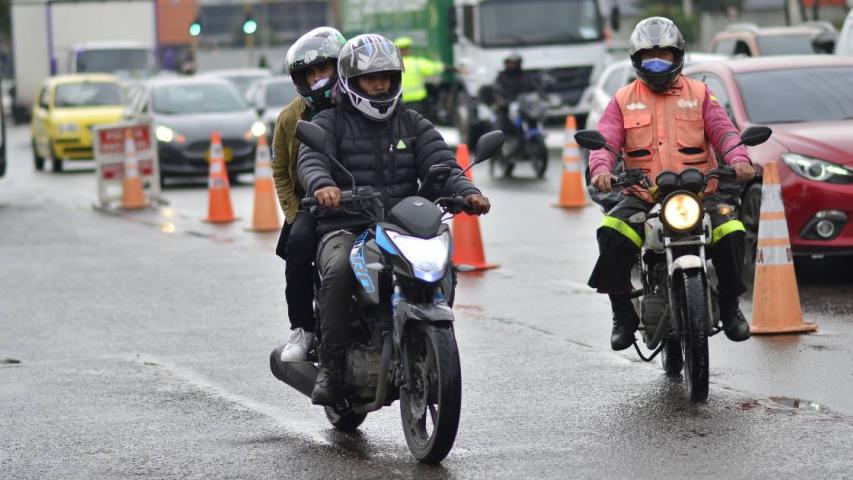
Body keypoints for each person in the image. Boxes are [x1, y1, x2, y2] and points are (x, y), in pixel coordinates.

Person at [298, 34, 491, 405]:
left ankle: (423, 339)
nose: (380, 85)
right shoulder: (329, 123)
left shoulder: (412, 123)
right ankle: (332, 368)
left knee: (442, 265)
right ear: (351, 82)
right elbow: (311, 160)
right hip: (346, 225)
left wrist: (468, 192)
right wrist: (323, 185)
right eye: (371, 78)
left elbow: (443, 165)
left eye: (386, 77)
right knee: (339, 270)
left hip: (404, 226)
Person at [586, 17, 755, 351]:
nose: (657, 63)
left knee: (731, 231)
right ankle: (622, 313)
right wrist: (602, 170)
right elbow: (604, 143)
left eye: (663, 55)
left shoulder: (700, 94)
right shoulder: (622, 99)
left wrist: (739, 160)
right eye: (649, 57)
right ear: (636, 60)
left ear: (677, 56)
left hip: (699, 193)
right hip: (643, 195)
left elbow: (725, 133)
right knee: (611, 233)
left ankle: (730, 306)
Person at [271, 27, 347, 363]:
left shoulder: (359, 105)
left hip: (361, 201)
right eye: (310, 73)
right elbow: (280, 169)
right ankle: (303, 328)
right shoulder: (290, 117)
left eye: (324, 69)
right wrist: (295, 212)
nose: (317, 78)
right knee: (298, 246)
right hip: (311, 206)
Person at [394, 36, 451, 118]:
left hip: (401, 102)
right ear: (409, 49)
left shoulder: (393, 65)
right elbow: (437, 67)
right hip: (418, 102)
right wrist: (455, 69)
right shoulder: (417, 63)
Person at [493, 52, 536, 147]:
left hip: (523, 105)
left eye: (514, 63)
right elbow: (497, 90)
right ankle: (500, 144)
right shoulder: (502, 76)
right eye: (510, 63)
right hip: (506, 106)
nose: (512, 65)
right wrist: (502, 101)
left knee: (533, 117)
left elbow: (532, 88)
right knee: (499, 123)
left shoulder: (525, 76)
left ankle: (533, 136)